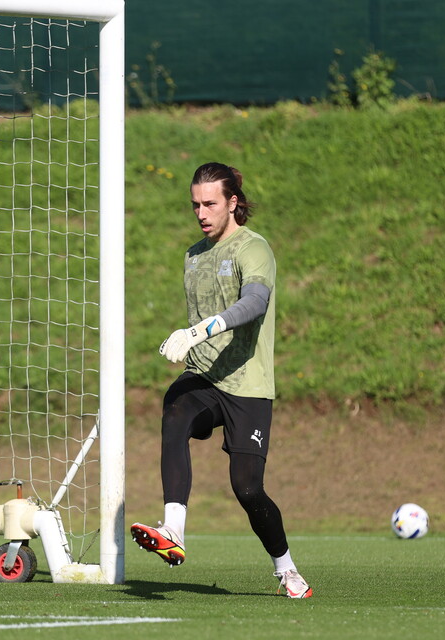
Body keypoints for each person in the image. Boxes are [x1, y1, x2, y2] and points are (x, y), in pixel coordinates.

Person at [130, 162, 312, 599]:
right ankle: (173, 528)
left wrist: (201, 330)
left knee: (247, 488)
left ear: (233, 203)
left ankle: (286, 570)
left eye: (210, 203)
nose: (201, 212)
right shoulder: (193, 256)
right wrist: (190, 339)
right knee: (175, 409)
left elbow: (254, 303)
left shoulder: (254, 248)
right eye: (195, 204)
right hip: (206, 377)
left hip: (248, 385)